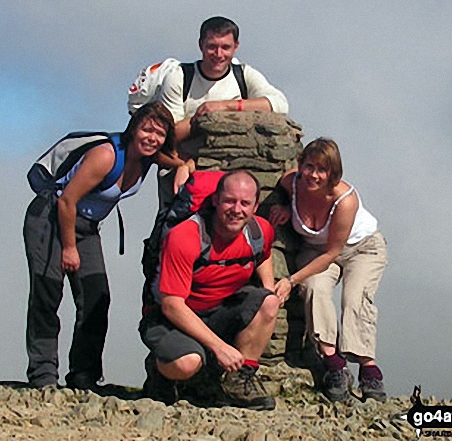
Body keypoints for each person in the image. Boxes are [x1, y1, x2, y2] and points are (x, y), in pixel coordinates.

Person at [23, 102, 175, 390]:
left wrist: (186, 166)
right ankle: (43, 376)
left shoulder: (147, 157)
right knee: (48, 294)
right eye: (146, 129)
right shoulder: (106, 155)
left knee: (96, 298)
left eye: (159, 133)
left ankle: (84, 376)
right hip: (51, 219)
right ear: (133, 129)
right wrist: (69, 248)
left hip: (87, 228)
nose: (151, 138)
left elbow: (175, 160)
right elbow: (67, 201)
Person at [139, 171, 282, 410]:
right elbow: (171, 305)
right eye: (229, 201)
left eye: (245, 203)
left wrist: (269, 288)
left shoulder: (260, 231)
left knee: (269, 302)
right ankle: (159, 371)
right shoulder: (186, 236)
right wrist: (220, 348)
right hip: (169, 318)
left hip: (219, 311)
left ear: (256, 206)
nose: (237, 209)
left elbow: (264, 254)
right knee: (187, 363)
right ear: (215, 200)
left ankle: (239, 381)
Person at [269, 138, 388, 402]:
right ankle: (334, 366)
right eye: (309, 166)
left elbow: (333, 252)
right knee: (314, 289)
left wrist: (290, 280)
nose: (313, 174)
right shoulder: (292, 183)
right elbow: (280, 189)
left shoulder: (345, 200)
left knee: (354, 298)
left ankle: (369, 371)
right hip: (316, 249)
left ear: (333, 173)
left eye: (322, 169)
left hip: (361, 247)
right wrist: (286, 208)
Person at [155, 16, 289, 207]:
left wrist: (226, 107)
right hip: (182, 170)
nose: (218, 54)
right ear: (201, 45)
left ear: (236, 47)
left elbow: (279, 104)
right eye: (212, 46)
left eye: (225, 47)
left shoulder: (243, 74)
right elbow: (170, 134)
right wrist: (205, 120)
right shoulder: (180, 77)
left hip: (233, 171)